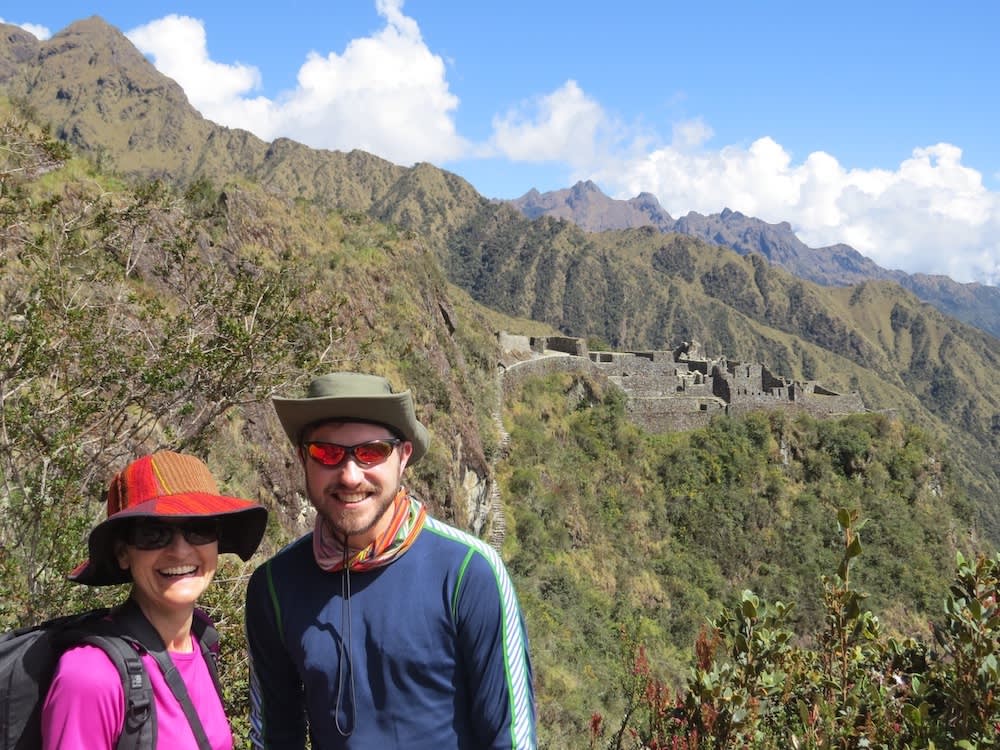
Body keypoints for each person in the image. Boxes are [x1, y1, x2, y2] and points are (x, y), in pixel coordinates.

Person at [245, 372, 536, 749]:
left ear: (403, 456)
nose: (350, 475)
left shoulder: (467, 572)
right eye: (327, 452)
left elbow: (509, 738)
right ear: (303, 458)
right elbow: (275, 737)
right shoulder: (275, 586)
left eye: (371, 451)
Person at [42, 450, 269, 749]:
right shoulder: (90, 676)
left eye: (199, 529)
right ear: (123, 553)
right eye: (154, 533)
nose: (181, 551)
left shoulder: (202, 640)